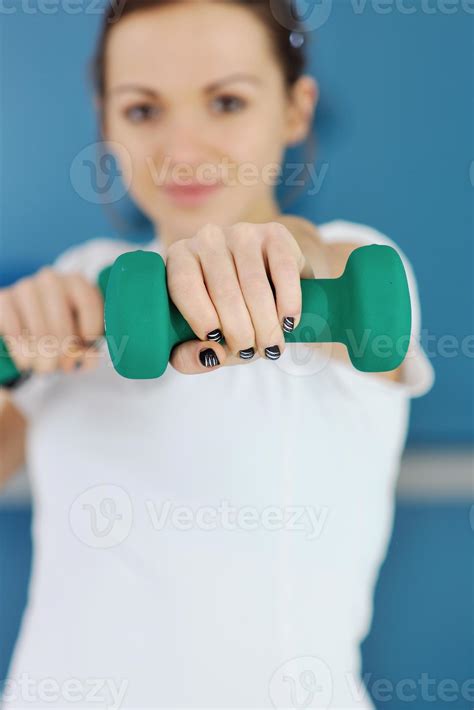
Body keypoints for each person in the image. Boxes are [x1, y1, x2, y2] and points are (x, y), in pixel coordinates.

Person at [0, 1, 435, 708]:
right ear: (105, 120)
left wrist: (278, 254)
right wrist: (12, 354)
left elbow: (335, 267)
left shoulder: (352, 269)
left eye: (227, 101)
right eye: (143, 111)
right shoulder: (79, 280)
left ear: (296, 109)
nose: (183, 151)